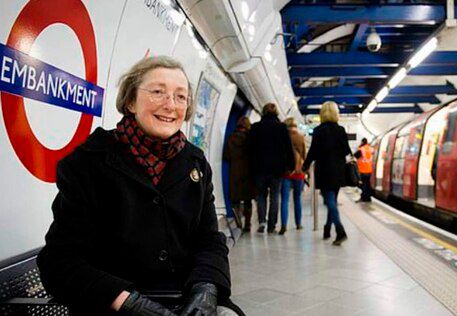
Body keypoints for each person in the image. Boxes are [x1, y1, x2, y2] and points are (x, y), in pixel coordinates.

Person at [37, 56, 243, 316]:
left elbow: (209, 239)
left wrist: (206, 288)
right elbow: (59, 260)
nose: (170, 105)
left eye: (181, 97)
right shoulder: (88, 163)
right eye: (158, 92)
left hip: (185, 295)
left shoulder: (196, 163)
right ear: (131, 101)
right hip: (113, 303)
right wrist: (128, 303)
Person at [302, 101, 352, 246]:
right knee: (332, 201)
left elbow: (313, 152)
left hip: (324, 170)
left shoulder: (318, 131)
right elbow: (346, 151)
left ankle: (340, 230)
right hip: (338, 170)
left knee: (329, 201)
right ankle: (327, 228)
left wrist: (305, 166)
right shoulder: (341, 130)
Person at [247, 103, 295, 234]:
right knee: (274, 197)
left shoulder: (255, 127)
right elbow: (288, 148)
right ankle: (272, 225)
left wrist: (250, 167)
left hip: (259, 168)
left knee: (261, 195)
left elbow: (249, 149)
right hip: (277, 169)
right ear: (276, 113)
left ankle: (262, 222)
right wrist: (291, 166)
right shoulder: (281, 128)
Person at [223, 116, 255, 232]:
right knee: (248, 201)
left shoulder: (231, 138)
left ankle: (238, 222)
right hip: (248, 172)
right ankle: (248, 224)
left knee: (235, 200)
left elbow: (226, 156)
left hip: (235, 172)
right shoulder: (250, 138)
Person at [279, 117, 307, 235]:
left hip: (286, 172)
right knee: (297, 199)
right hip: (298, 172)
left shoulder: (282, 137)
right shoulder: (300, 137)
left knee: (284, 200)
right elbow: (304, 154)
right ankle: (298, 223)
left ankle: (284, 225)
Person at [354, 138, 374, 202]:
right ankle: (368, 198)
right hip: (369, 170)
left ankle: (364, 198)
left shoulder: (361, 149)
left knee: (363, 185)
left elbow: (355, 156)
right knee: (367, 185)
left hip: (362, 170)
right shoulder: (371, 149)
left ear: (362, 142)